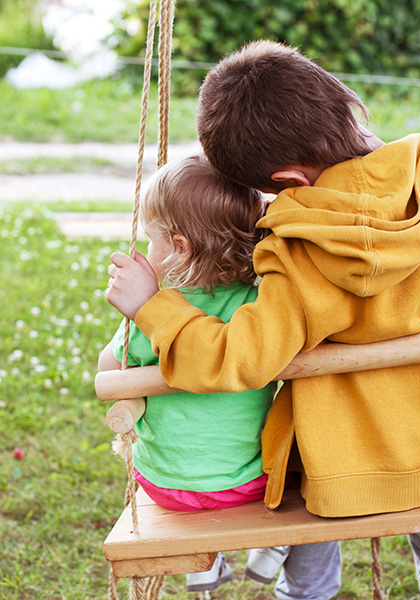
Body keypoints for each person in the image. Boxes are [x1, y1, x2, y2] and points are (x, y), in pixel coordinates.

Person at [105, 41, 420, 600]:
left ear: (289, 180)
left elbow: (236, 359)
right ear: (346, 102)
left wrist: (151, 307)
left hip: (344, 478)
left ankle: (303, 587)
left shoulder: (296, 246)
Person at [98, 154, 314, 593]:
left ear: (179, 247)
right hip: (249, 483)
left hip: (165, 488)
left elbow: (109, 370)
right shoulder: (257, 306)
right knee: (299, 457)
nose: (145, 251)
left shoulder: (152, 316)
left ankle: (204, 567)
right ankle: (274, 551)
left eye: (151, 240)